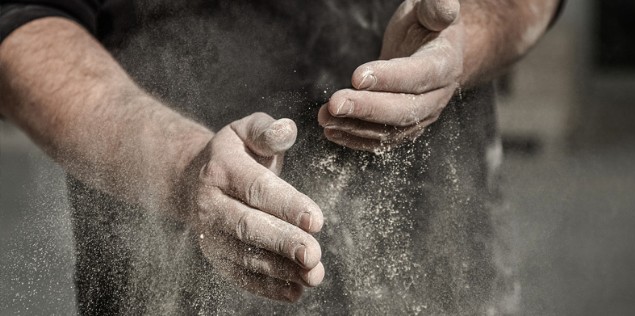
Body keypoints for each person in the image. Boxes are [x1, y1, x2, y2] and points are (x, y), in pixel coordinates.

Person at [0, 0, 562, 314]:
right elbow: (22, 24)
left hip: (441, 251)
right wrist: (180, 166)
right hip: (172, 253)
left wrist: (472, 35)